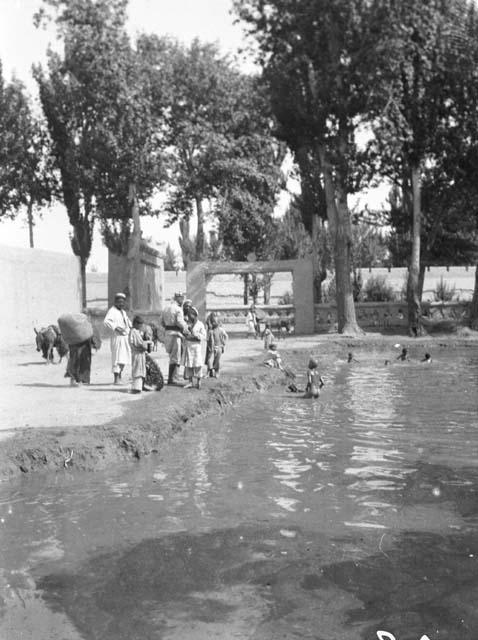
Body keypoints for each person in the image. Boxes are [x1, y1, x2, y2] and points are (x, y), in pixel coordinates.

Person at [104, 293, 132, 385]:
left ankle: (120, 377)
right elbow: (106, 321)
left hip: (125, 337)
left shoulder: (123, 312)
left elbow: (128, 322)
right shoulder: (112, 311)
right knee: (117, 358)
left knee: (123, 358)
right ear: (115, 302)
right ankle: (116, 379)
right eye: (119, 302)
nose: (121, 304)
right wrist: (116, 327)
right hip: (117, 337)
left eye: (122, 302)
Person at [161, 292, 188, 385]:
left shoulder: (165, 308)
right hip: (176, 334)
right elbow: (180, 322)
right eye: (182, 299)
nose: (183, 300)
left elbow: (161, 322)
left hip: (167, 333)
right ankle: (172, 378)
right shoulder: (178, 309)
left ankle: (173, 377)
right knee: (175, 356)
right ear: (179, 299)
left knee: (172, 355)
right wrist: (186, 329)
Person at [183, 306, 207, 389]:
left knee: (197, 363)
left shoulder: (200, 324)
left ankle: (198, 381)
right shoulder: (187, 324)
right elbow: (185, 333)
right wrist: (187, 333)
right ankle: (190, 381)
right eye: (189, 315)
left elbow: (204, 335)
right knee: (189, 363)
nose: (189, 317)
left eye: (191, 315)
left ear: (195, 315)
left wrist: (196, 335)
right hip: (189, 345)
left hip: (196, 346)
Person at [129, 315, 153, 394]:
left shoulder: (135, 332)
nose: (141, 326)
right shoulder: (134, 332)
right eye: (140, 324)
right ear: (135, 323)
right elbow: (140, 344)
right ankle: (136, 388)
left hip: (139, 353)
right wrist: (148, 342)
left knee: (141, 369)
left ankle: (141, 386)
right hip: (137, 354)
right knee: (138, 370)